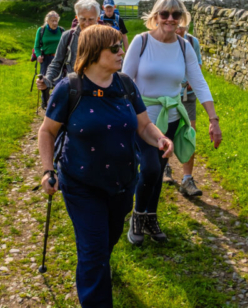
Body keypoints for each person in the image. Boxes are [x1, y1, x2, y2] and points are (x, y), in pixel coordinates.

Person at [38, 25, 174, 308]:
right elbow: (47, 132)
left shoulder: (125, 84)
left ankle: (100, 264)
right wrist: (47, 170)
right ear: (92, 52)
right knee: (93, 252)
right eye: (114, 48)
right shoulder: (69, 88)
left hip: (122, 184)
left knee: (108, 240)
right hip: (81, 185)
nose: (121, 51)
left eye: (120, 46)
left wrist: (160, 139)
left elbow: (144, 126)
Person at [122, 0, 222, 245]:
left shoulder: (183, 46)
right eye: (164, 14)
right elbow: (124, 80)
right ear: (155, 17)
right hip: (145, 119)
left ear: (181, 18)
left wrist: (213, 119)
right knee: (152, 168)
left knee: (156, 172)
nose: (169, 19)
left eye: (175, 15)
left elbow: (198, 82)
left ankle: (150, 218)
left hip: (173, 117)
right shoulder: (141, 41)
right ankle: (137, 217)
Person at [36, 0, 99, 92]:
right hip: (73, 89)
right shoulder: (68, 36)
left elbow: (116, 64)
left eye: (91, 19)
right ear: (77, 18)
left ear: (98, 18)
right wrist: (47, 80)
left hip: (98, 89)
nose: (87, 23)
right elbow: (57, 62)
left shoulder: (106, 38)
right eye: (83, 19)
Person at [171, 16, 204, 196]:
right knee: (164, 131)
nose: (179, 30)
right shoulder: (162, 42)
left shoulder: (192, 42)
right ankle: (166, 168)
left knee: (189, 134)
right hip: (168, 96)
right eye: (177, 27)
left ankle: (187, 179)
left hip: (188, 95)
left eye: (182, 27)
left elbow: (197, 64)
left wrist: (192, 80)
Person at [33, 11, 64, 109]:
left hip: (59, 59)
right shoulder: (41, 30)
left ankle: (57, 103)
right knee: (45, 81)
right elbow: (36, 46)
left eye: (56, 21)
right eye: (52, 21)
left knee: (60, 82)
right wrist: (38, 56)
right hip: (46, 59)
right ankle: (45, 103)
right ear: (47, 21)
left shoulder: (61, 30)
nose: (55, 23)